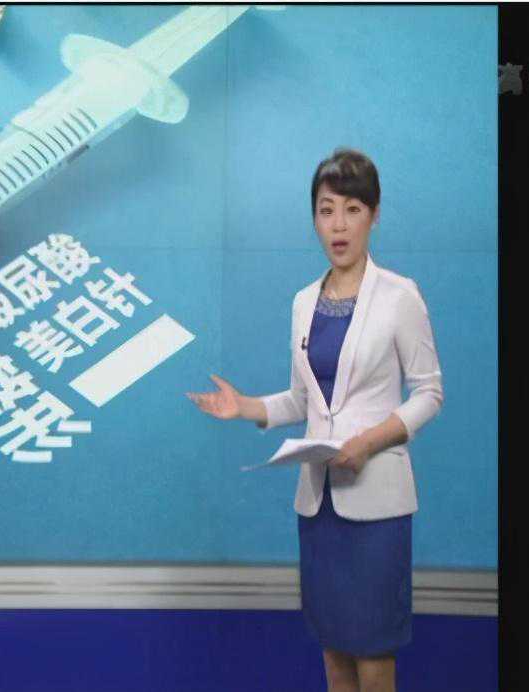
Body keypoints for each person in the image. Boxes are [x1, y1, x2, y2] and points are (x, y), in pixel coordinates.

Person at [186, 148, 444, 692]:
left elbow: (429, 393)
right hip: (318, 506)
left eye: (352, 209)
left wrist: (369, 441)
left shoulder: (399, 297)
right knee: (334, 653)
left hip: (377, 507)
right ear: (314, 218)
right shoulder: (304, 302)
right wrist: (246, 407)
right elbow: (305, 401)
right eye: (327, 211)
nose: (339, 225)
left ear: (374, 214)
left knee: (373, 654)